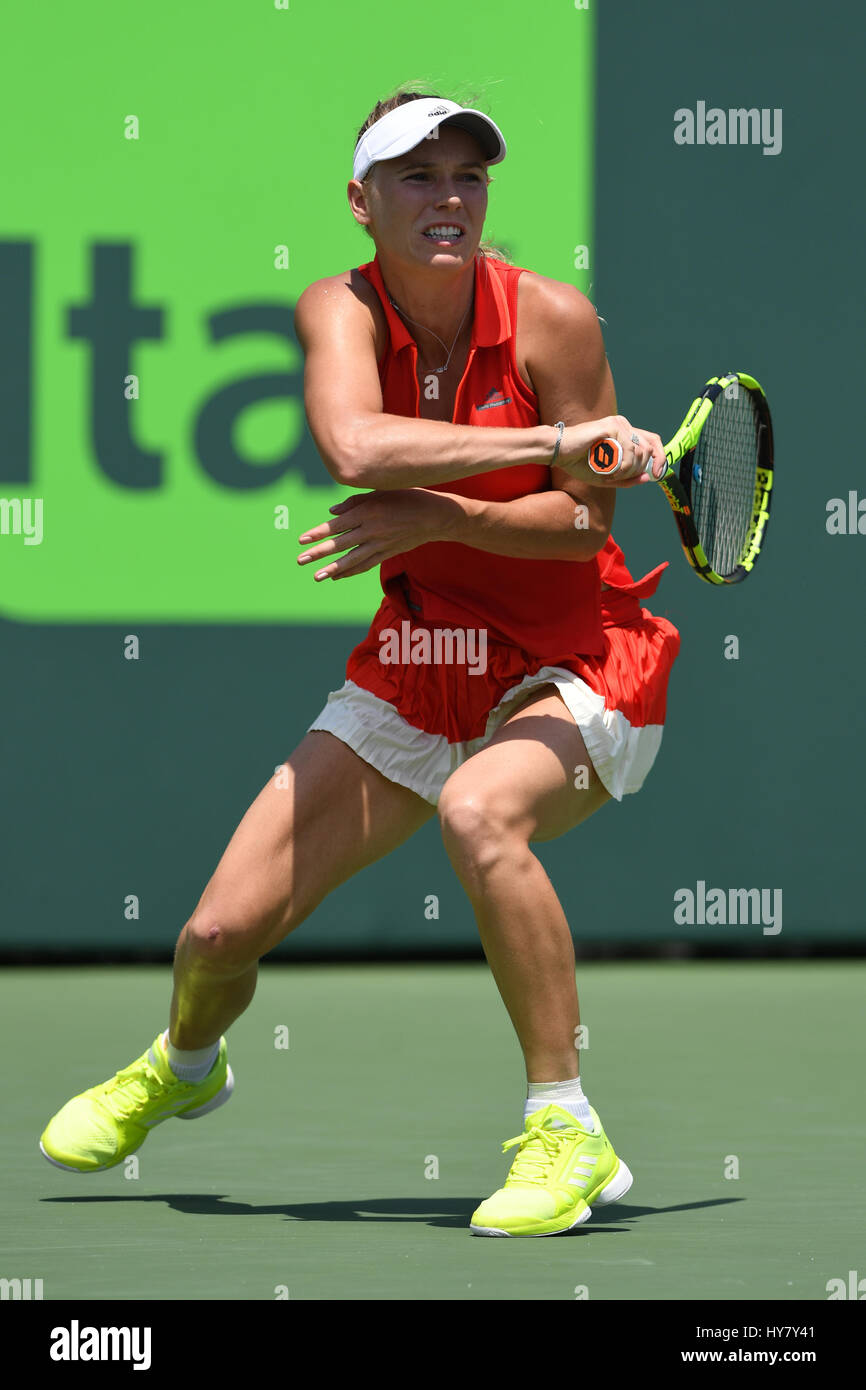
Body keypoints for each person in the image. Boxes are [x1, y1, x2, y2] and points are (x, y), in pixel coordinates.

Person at [39, 89, 680, 1239]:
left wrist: (448, 516)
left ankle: (565, 1124)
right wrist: (543, 443)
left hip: (575, 657)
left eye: (467, 177)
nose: (448, 198)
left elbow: (586, 528)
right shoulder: (335, 306)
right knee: (215, 938)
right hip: (418, 661)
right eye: (417, 177)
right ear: (360, 201)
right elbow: (353, 445)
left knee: (483, 814)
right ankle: (183, 1066)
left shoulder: (553, 322)